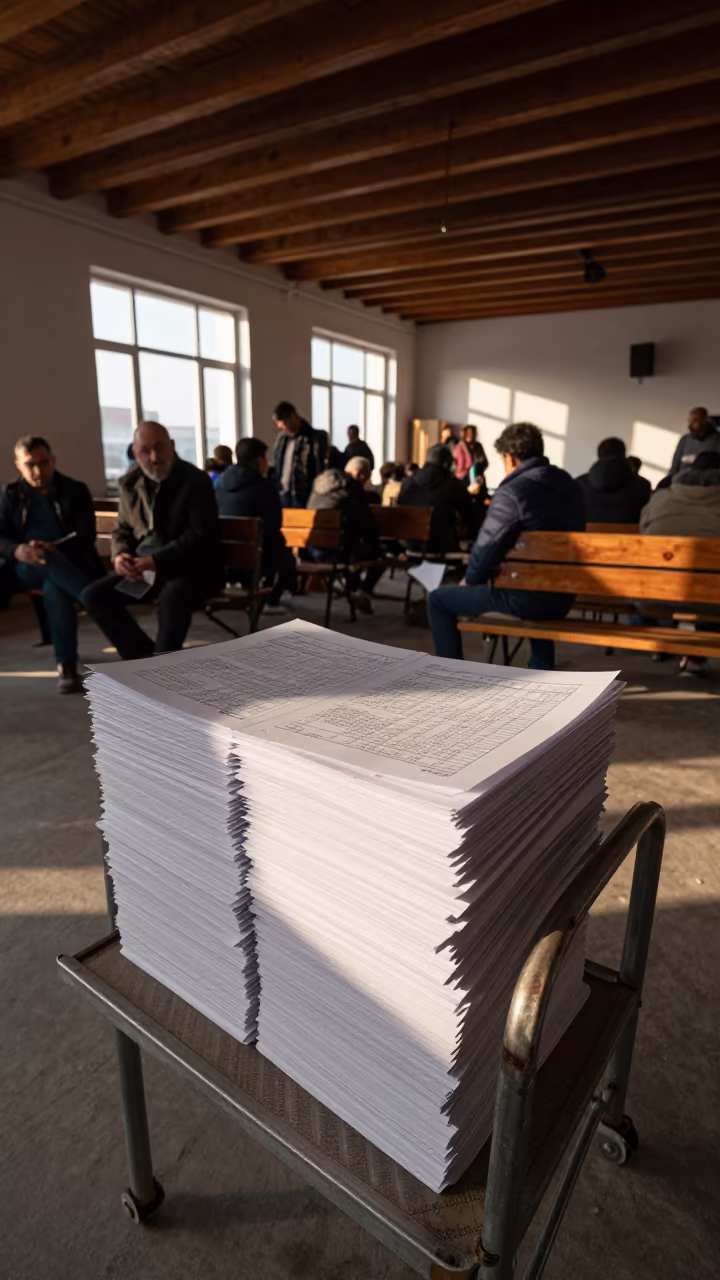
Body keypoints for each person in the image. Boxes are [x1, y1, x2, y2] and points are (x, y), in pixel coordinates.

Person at [427, 422, 585, 671]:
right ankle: (541, 664)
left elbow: (486, 548)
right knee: (536, 581)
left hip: (525, 599)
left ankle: (450, 676)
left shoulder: (513, 492)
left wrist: (471, 580)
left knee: (438, 599)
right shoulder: (570, 486)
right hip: (564, 595)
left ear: (509, 458)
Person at [82, 421, 223, 659]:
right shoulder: (129, 484)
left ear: (172, 446)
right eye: (145, 451)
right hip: (147, 573)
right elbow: (122, 530)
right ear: (136, 453)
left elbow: (199, 536)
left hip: (193, 569)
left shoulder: (195, 481)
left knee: (172, 596)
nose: (155, 457)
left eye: (160, 448)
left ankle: (161, 661)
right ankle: (143, 660)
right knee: (95, 596)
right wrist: (120, 556)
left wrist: (154, 561)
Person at [0, 435, 104, 693]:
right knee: (46, 565)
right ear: (18, 465)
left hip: (68, 562)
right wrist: (17, 550)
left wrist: (56, 547)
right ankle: (98, 602)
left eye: (43, 463)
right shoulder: (9, 495)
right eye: (30, 465)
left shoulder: (75, 490)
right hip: (24, 567)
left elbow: (86, 536)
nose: (38, 471)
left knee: (54, 588)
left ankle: (66, 667)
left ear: (53, 460)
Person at [637, 452, 720, 674]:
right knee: (708, 584)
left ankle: (668, 645)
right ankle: (695, 655)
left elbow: (642, 535)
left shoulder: (660, 499)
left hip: (654, 597)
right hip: (713, 599)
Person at [215, 437, 297, 612]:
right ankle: (271, 600)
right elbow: (275, 524)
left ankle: (252, 590)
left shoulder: (219, 484)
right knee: (282, 552)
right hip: (258, 557)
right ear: (259, 461)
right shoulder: (265, 487)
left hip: (223, 556)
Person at [307, 460, 383, 613]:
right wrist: (376, 542)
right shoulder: (352, 487)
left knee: (352, 547)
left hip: (312, 548)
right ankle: (362, 592)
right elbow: (366, 524)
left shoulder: (319, 483)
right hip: (339, 551)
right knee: (379, 555)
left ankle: (352, 588)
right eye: (365, 478)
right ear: (360, 474)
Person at [398, 443, 478, 555]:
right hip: (442, 547)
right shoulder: (453, 485)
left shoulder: (407, 483)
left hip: (411, 546)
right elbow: (470, 515)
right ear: (446, 464)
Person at [576, 437, 651, 524]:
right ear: (623, 455)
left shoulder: (578, 484)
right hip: (629, 533)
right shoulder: (643, 486)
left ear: (598, 455)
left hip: (583, 533)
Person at [272, 401, 324, 507]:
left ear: (293, 417)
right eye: (280, 428)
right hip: (283, 493)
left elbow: (319, 468)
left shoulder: (315, 438)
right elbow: (277, 464)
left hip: (305, 495)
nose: (283, 430)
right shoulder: (282, 438)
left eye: (285, 425)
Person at [670, 407, 720, 474]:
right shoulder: (685, 440)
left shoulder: (717, 440)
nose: (690, 426)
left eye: (695, 421)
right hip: (682, 478)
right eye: (689, 421)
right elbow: (675, 466)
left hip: (706, 478)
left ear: (704, 421)